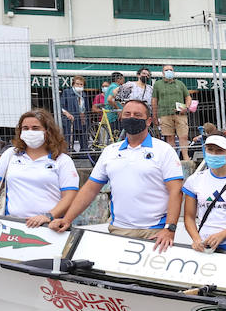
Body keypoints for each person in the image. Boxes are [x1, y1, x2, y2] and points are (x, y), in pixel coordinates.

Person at [50, 99, 183, 253]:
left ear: (149, 121)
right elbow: (90, 189)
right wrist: (67, 220)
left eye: (137, 115)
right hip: (119, 231)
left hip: (155, 233)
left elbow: (176, 191)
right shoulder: (110, 151)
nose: (131, 117)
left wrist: (170, 228)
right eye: (127, 114)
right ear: (121, 117)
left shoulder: (164, 150)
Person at [0, 109, 79, 225]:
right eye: (25, 128)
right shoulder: (10, 155)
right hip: (13, 225)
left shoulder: (62, 160)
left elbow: (70, 196)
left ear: (48, 131)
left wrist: (48, 216)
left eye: (35, 128)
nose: (30, 132)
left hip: (49, 226)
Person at [182, 135, 226, 253]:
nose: (214, 154)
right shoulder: (194, 180)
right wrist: (196, 239)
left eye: (219, 151)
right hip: (204, 245)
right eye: (210, 149)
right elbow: (189, 216)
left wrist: (222, 235)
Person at [152, 63, 191, 160]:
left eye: (170, 69)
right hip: (165, 114)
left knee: (184, 136)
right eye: (166, 70)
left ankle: (186, 158)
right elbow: (154, 100)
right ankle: (173, 159)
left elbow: (188, 97)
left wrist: (186, 107)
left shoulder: (180, 83)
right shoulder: (158, 84)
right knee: (169, 137)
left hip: (180, 114)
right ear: (162, 73)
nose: (169, 71)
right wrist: (154, 116)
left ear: (173, 72)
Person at [59, 75, 90, 157]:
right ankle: (68, 154)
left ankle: (84, 155)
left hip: (81, 120)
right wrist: (67, 114)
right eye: (77, 84)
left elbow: (86, 107)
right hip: (70, 120)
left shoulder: (84, 94)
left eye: (81, 84)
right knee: (69, 139)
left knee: (83, 138)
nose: (79, 86)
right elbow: (61, 106)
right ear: (73, 84)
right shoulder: (67, 92)